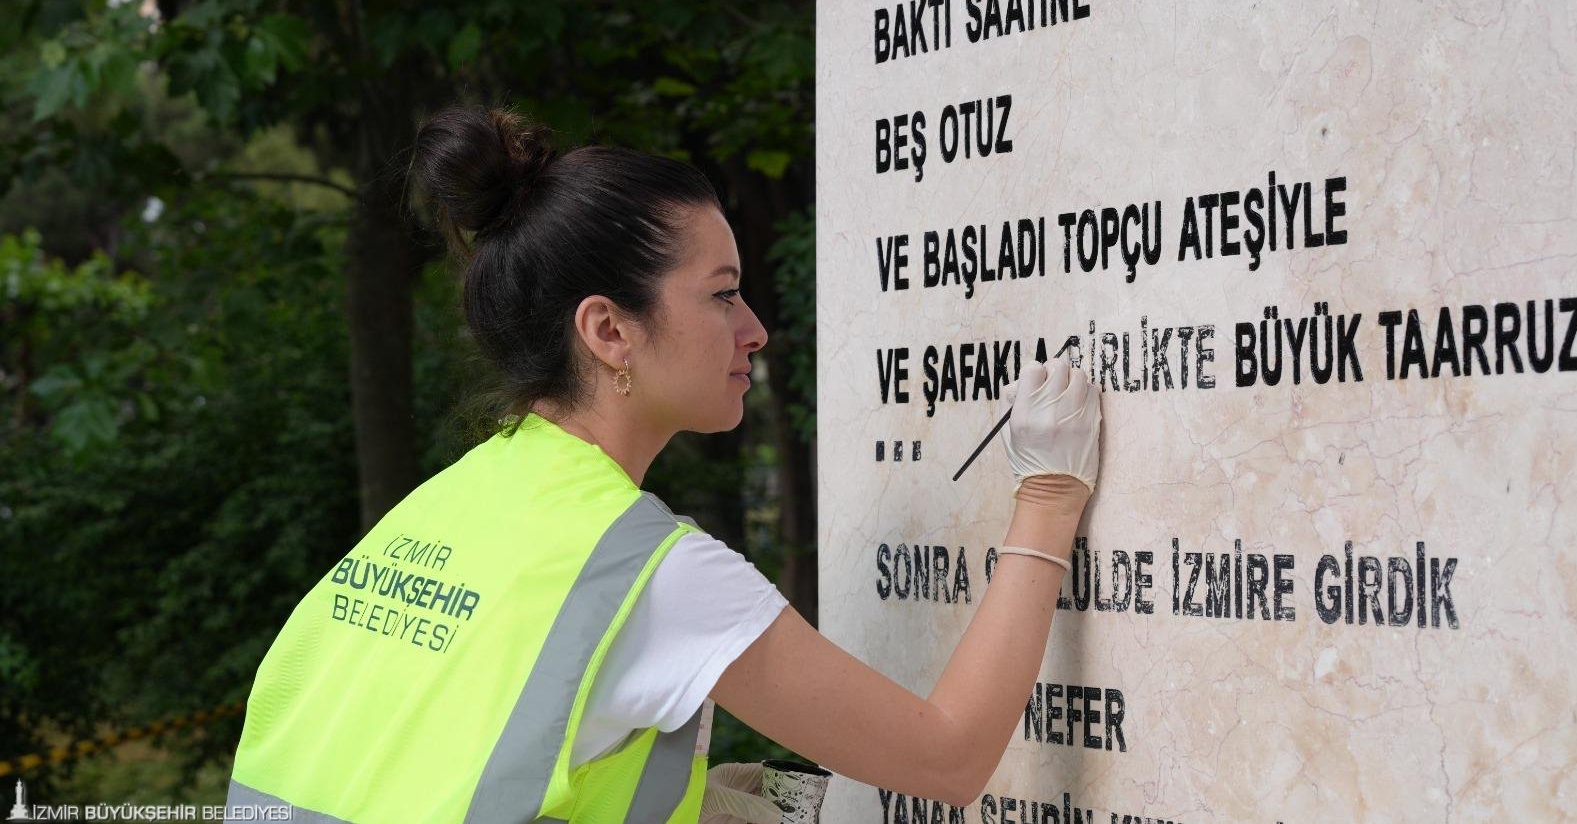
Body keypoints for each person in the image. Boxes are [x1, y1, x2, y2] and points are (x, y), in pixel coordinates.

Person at [223, 106, 1102, 823]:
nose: (755, 329)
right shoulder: (649, 573)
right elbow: (947, 757)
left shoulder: (440, 507)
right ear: (609, 330)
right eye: (723, 294)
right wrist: (1050, 498)